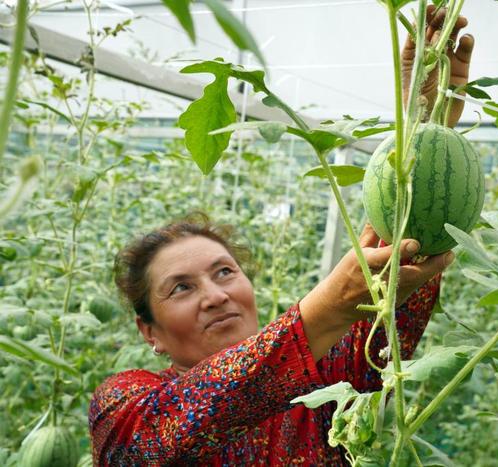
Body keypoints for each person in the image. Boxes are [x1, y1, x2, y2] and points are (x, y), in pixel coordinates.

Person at [89, 6, 474, 466]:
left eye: (224, 272)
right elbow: (172, 430)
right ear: (149, 330)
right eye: (182, 288)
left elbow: (400, 277)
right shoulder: (122, 405)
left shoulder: (323, 383)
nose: (214, 296)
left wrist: (423, 126)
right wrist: (325, 307)